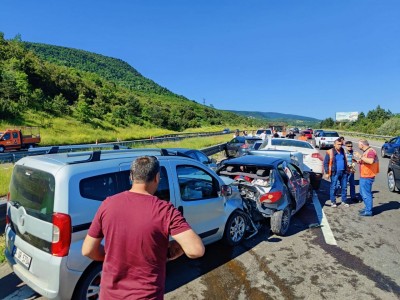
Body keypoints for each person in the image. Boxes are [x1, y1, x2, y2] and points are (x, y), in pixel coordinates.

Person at [82, 156, 205, 299]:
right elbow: (196, 250)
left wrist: (113, 256)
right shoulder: (165, 210)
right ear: (157, 178)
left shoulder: (108, 204)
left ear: (131, 176)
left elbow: (88, 250)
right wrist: (170, 252)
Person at [354, 139, 379, 216]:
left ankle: (368, 211)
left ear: (362, 145)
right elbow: (366, 161)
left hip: (367, 176)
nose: (358, 146)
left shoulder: (370, 151)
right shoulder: (367, 151)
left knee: (366, 194)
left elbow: (370, 161)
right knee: (362, 193)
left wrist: (360, 156)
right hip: (364, 175)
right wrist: (359, 161)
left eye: (359, 144)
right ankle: (367, 208)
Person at [323, 139, 349, 208]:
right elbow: (326, 163)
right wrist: (327, 172)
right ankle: (333, 201)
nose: (340, 146)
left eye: (341, 144)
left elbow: (345, 160)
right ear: (334, 144)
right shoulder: (330, 152)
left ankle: (344, 200)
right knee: (333, 187)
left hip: (343, 172)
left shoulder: (343, 150)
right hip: (335, 172)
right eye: (338, 144)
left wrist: (348, 169)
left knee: (344, 187)